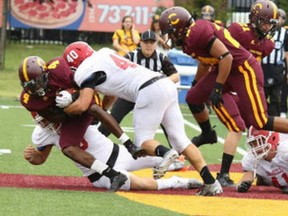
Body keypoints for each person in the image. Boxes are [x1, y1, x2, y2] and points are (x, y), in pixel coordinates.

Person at [58, 41, 223, 196]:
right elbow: (110, 94)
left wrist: (62, 111)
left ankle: (167, 153)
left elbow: (82, 104)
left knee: (142, 142)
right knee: (180, 139)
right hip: (165, 83)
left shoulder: (83, 71)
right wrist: (102, 110)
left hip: (148, 90)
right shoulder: (105, 53)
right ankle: (211, 182)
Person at [158, 5, 288, 187]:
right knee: (193, 97)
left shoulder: (197, 32)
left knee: (259, 121)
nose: (170, 37)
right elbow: (209, 61)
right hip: (225, 69)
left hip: (243, 69)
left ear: (180, 28)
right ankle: (207, 133)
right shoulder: (191, 38)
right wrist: (199, 83)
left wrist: (218, 88)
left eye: (171, 32)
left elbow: (227, 56)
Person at [18, 56, 140, 192]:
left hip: (82, 100)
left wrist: (72, 95)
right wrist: (33, 157)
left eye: (37, 82)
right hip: (68, 117)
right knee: (68, 148)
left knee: (94, 108)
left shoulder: (58, 69)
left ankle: (129, 144)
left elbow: (84, 83)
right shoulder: (29, 101)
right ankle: (113, 175)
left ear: (45, 73)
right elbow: (41, 155)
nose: (35, 88)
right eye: (30, 85)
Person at [24, 116, 203, 191]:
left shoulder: (73, 110)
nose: (49, 124)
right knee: (142, 184)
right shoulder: (41, 134)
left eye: (48, 118)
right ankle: (176, 182)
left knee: (168, 159)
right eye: (42, 121)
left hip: (119, 152)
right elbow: (41, 158)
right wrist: (34, 158)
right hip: (99, 174)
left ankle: (176, 167)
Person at [210, 0, 277, 186]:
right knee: (237, 126)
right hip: (224, 86)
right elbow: (220, 54)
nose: (267, 27)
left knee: (260, 129)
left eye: (270, 23)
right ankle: (222, 174)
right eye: (265, 22)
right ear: (254, 19)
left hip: (243, 88)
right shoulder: (237, 31)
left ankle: (263, 173)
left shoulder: (268, 45)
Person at [98, 30, 179, 145]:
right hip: (130, 95)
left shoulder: (161, 58)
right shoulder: (131, 56)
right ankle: (94, 142)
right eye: (146, 42)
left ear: (156, 44)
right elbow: (117, 70)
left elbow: (176, 76)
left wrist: (159, 83)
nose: (149, 45)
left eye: (152, 42)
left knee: (168, 124)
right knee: (113, 119)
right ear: (140, 43)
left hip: (153, 98)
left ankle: (177, 153)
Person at [236, 126, 288, 194]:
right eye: (253, 144)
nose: (256, 147)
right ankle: (262, 180)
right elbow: (247, 177)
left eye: (259, 141)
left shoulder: (284, 150)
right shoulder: (251, 159)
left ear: (272, 138)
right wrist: (241, 186)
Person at [261, 8, 288, 116]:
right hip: (263, 66)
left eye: (280, 18)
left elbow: (286, 54)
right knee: (261, 95)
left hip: (277, 68)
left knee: (276, 97)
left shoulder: (285, 33)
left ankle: (274, 121)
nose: (277, 21)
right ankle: (262, 119)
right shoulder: (263, 31)